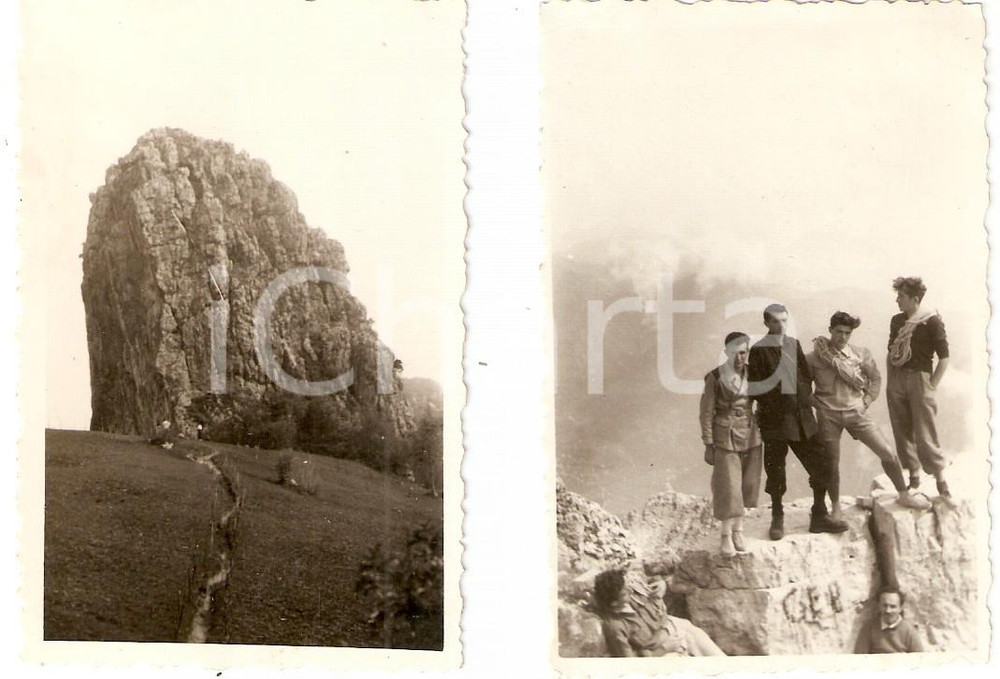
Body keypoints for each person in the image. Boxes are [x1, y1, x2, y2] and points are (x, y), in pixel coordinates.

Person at [806, 312, 932, 518]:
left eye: (847, 333)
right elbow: (801, 385)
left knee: (887, 452)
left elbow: (875, 379)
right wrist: (815, 403)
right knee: (831, 462)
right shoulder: (814, 358)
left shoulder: (860, 354)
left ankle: (903, 494)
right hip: (828, 415)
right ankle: (836, 506)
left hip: (856, 412)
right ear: (830, 330)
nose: (843, 337)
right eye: (838, 332)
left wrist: (867, 400)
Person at [748, 303, 847, 539]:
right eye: (775, 321)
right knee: (776, 471)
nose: (780, 325)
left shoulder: (794, 344)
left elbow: (805, 376)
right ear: (766, 323)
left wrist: (803, 398)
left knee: (822, 464)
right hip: (775, 421)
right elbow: (754, 386)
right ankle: (777, 517)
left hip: (802, 418)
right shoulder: (759, 350)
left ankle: (819, 515)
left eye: (784, 320)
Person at [885, 277, 954, 506]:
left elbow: (944, 358)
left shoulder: (932, 321)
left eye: (901, 296)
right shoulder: (896, 321)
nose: (897, 299)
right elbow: (892, 351)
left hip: (920, 378)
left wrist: (931, 385)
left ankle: (941, 480)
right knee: (901, 429)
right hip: (897, 378)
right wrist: (891, 381)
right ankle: (913, 477)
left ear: (915, 299)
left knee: (925, 432)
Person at [700, 332, 763, 557]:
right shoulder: (715, 377)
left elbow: (762, 400)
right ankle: (726, 535)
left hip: (750, 433)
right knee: (728, 488)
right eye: (735, 353)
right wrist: (708, 443)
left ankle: (739, 530)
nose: (740, 358)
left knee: (747, 485)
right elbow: (706, 413)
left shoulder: (753, 374)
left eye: (744, 352)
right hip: (725, 435)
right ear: (726, 352)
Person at [593, 569, 725, 657]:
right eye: (624, 592)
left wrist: (662, 585)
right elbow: (630, 664)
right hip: (662, 649)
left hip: (671, 626)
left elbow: (652, 582)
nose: (629, 589)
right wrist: (664, 649)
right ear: (614, 603)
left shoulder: (629, 596)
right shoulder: (616, 626)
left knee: (713, 652)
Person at [855, 588, 925, 654]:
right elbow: (859, 658)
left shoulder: (909, 631)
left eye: (893, 606)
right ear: (879, 606)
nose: (888, 610)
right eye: (884, 605)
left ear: (900, 608)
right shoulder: (869, 628)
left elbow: (920, 660)